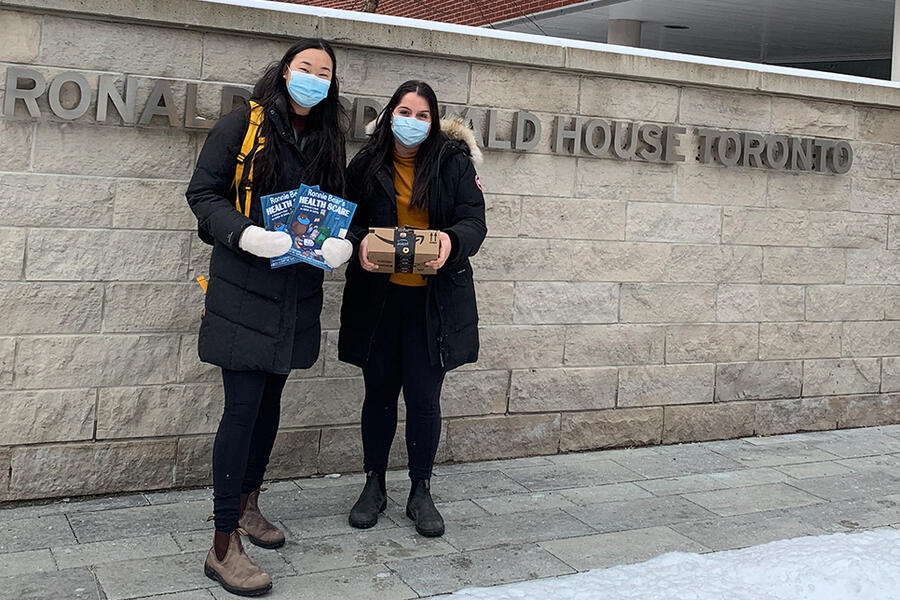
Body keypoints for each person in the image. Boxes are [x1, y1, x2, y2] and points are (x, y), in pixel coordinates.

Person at [185, 38, 351, 596]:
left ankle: (251, 503)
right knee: (242, 409)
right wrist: (246, 234)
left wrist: (338, 245)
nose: (313, 77)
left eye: (323, 72)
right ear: (284, 71)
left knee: (271, 406)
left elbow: (335, 210)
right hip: (242, 287)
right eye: (305, 67)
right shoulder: (242, 125)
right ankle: (222, 542)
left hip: (296, 292)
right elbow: (202, 195)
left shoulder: (328, 138)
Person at [338, 80, 487, 538]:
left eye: (423, 115)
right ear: (389, 114)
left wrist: (452, 240)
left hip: (433, 303)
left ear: (434, 120)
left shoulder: (453, 162)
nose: (413, 122)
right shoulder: (366, 162)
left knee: (424, 398)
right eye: (405, 111)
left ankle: (420, 490)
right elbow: (343, 218)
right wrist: (358, 240)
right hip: (379, 301)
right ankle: (374, 484)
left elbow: (474, 222)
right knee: (379, 395)